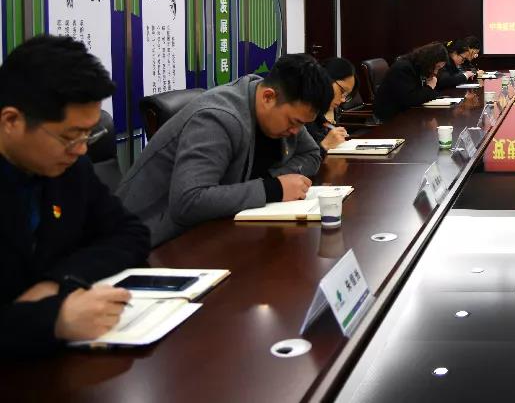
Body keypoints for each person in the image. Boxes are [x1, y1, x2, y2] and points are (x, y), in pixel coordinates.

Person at [1, 35, 149, 355]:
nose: (82, 149)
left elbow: (130, 233)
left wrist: (56, 283)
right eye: (71, 136)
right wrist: (53, 319)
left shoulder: (70, 168)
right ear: (11, 121)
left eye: (88, 134)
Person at [117, 54, 332, 246]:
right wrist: (273, 189)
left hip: (216, 229)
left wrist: (271, 179)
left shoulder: (283, 111)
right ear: (268, 97)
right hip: (152, 241)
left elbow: (311, 154)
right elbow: (188, 201)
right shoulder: (216, 118)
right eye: (294, 122)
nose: (296, 131)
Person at [373, 42, 449, 121]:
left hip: (405, 111)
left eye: (439, 68)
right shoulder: (403, 68)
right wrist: (429, 87)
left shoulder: (417, 66)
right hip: (391, 116)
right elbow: (411, 99)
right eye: (437, 67)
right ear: (429, 61)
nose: (436, 72)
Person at [306, 57, 355, 152]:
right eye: (342, 91)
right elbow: (298, 157)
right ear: (326, 80)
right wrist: (325, 145)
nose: (343, 99)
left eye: (346, 95)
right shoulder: (303, 112)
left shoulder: (320, 113)